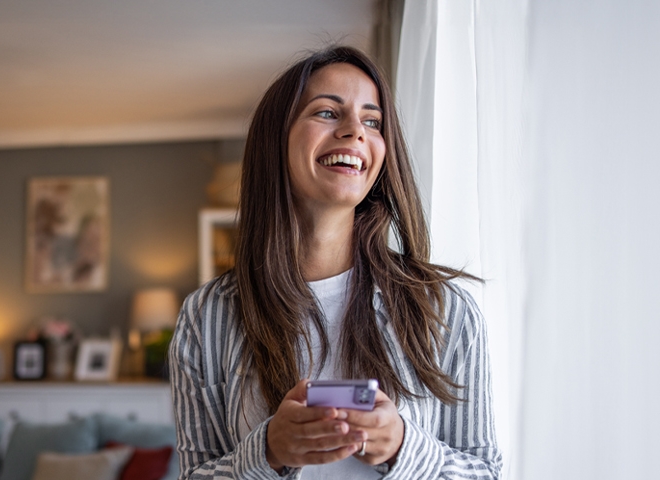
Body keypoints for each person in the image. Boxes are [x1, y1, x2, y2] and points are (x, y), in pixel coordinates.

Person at [170, 46, 501, 480]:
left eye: (372, 120)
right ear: (277, 139)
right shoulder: (207, 316)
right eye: (327, 112)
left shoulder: (445, 309)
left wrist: (403, 447)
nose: (355, 132)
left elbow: (487, 473)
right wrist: (266, 453)